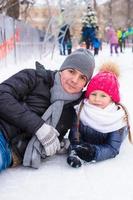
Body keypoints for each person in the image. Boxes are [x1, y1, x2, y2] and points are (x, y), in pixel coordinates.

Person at [0, 48, 95, 172]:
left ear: (85, 84)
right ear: (62, 70)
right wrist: (38, 127)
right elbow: (2, 95)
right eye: (71, 71)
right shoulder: (35, 78)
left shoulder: (76, 107)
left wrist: (61, 143)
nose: (74, 80)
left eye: (82, 77)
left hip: (11, 154)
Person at [67, 61, 132, 168]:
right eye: (93, 94)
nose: (97, 99)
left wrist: (93, 153)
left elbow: (112, 148)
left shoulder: (117, 118)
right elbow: (74, 134)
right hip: (85, 142)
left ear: (112, 98)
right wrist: (76, 149)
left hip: (104, 146)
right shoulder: (80, 109)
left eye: (103, 96)